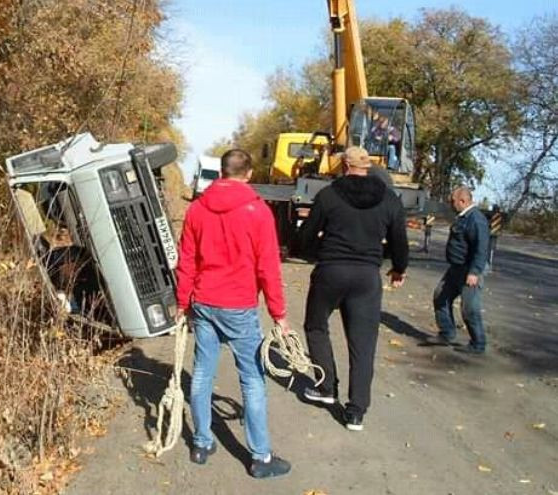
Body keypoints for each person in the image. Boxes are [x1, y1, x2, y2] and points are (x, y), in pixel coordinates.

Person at [176, 149, 291, 479]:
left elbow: (186, 262)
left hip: (203, 303)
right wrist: (279, 314)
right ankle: (260, 458)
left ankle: (201, 443)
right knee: (252, 379)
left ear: (222, 173)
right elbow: (269, 267)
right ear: (249, 173)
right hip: (238, 306)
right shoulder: (259, 212)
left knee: (201, 373)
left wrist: (182, 303)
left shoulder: (197, 209)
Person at [299, 146, 408, 432]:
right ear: (367, 167)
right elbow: (399, 238)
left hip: (331, 271)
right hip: (367, 278)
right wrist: (399, 268)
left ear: (344, 166)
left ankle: (326, 388)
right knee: (363, 343)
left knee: (316, 325)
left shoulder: (329, 195)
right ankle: (356, 411)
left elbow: (305, 236)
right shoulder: (388, 198)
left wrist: (315, 253)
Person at [431, 187, 490, 354]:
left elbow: (481, 248)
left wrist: (474, 272)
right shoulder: (463, 217)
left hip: (469, 269)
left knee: (469, 308)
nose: (451, 205)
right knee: (440, 296)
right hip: (456, 268)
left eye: (453, 202)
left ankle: (478, 343)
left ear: (462, 201)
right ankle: (447, 333)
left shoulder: (476, 220)